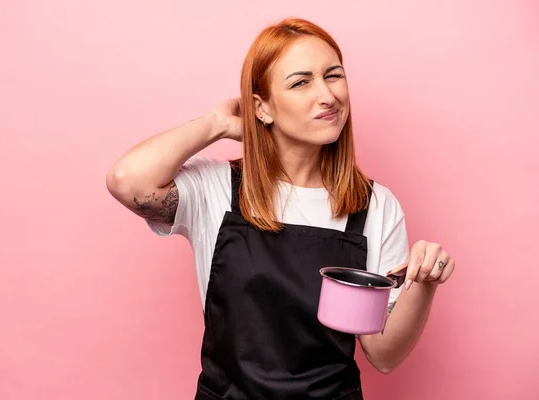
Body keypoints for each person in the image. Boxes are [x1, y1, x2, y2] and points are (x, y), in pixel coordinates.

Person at [106, 17, 455, 400]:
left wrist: (423, 284)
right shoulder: (217, 189)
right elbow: (127, 180)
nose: (327, 95)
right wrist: (218, 123)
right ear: (262, 108)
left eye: (333, 75)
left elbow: (383, 355)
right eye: (301, 82)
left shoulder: (373, 206)